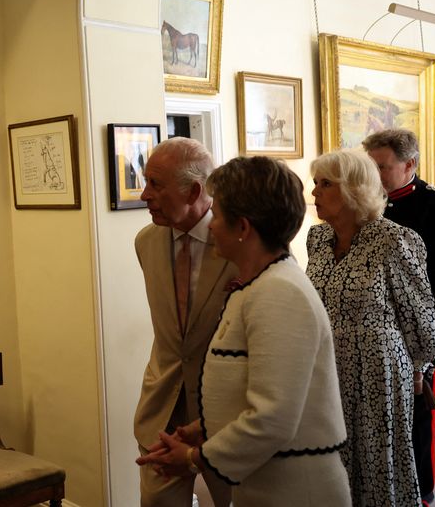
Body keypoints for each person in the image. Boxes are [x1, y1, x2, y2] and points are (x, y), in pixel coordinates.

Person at [137, 156, 351, 506]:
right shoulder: (256, 286)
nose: (210, 226)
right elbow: (250, 389)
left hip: (295, 489)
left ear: (243, 228)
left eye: (217, 216)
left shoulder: (281, 293)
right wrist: (199, 430)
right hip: (264, 484)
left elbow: (273, 418)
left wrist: (193, 459)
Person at [305, 150, 435, 507]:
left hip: (377, 374)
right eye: (315, 183)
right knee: (333, 462)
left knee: (377, 464)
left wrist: (416, 370)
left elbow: (422, 318)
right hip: (327, 371)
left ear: (353, 189)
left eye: (325, 184)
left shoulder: (395, 240)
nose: (314, 192)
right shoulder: (317, 240)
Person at [362, 129, 435, 505]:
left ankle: (422, 492)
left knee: (418, 419)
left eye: (382, 167)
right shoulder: (364, 204)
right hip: (369, 331)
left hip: (415, 330)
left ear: (410, 165)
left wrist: (390, 298)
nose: (374, 175)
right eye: (369, 166)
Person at [133, 137, 234, 507]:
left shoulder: (240, 243)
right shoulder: (146, 242)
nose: (144, 195)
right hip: (160, 410)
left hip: (224, 413)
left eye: (155, 184)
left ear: (194, 191)